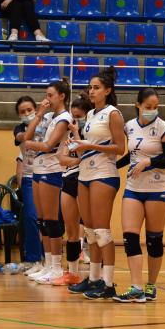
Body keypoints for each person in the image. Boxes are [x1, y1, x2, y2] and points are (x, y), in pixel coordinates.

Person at [67, 66, 125, 299]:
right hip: (85, 174)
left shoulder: (113, 114)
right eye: (90, 87)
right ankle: (93, 279)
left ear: (107, 90)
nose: (91, 91)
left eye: (96, 88)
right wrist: (77, 138)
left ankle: (108, 284)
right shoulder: (90, 115)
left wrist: (89, 146)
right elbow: (86, 146)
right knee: (90, 232)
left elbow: (120, 148)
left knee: (102, 231)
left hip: (104, 173)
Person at [113, 88, 165, 303]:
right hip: (133, 188)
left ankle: (151, 285)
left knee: (153, 240)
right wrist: (113, 165)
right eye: (148, 107)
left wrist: (149, 162)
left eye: (156, 107)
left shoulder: (164, 129)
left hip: (157, 190)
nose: (152, 111)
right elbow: (132, 155)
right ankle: (136, 286)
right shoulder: (129, 126)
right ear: (138, 105)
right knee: (130, 236)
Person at [22, 80, 72, 284]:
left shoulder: (64, 118)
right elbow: (27, 135)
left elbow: (49, 145)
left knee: (52, 221)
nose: (47, 99)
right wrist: (40, 113)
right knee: (42, 220)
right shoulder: (50, 116)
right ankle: (47, 265)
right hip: (38, 168)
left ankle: (57, 267)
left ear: (61, 96)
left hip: (53, 169)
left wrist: (31, 144)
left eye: (50, 95)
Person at [52, 93, 93, 286]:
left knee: (91, 229)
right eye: (72, 117)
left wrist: (77, 136)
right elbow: (61, 158)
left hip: (85, 180)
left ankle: (96, 275)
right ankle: (72, 273)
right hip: (68, 178)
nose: (73, 122)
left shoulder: (91, 133)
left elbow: (86, 155)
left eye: (78, 117)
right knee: (71, 230)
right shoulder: (69, 134)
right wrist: (77, 160)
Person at [13, 96, 43, 274]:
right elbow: (25, 136)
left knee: (49, 220)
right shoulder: (19, 129)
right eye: (22, 112)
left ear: (35, 108)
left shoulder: (47, 124)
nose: (26, 114)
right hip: (30, 178)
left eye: (29, 110)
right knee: (31, 217)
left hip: (48, 174)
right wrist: (38, 117)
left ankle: (50, 260)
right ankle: (33, 259)